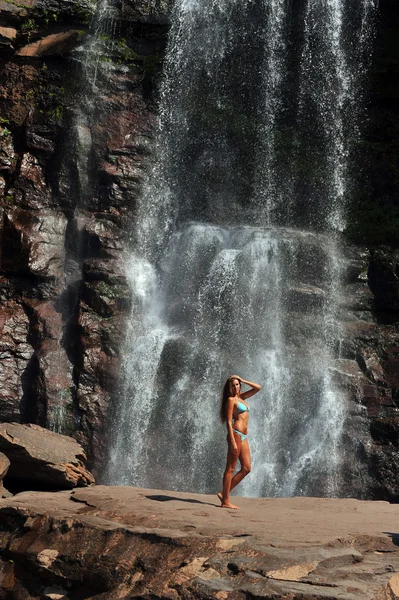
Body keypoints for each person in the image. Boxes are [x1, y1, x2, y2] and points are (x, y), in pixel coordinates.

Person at [218, 374, 262, 509]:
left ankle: (224, 493)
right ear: (229, 387)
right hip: (236, 435)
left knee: (247, 468)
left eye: (237, 384)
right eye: (233, 385)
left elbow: (258, 388)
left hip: (243, 436)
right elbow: (229, 422)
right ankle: (225, 501)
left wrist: (242, 379)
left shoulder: (241, 398)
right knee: (230, 468)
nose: (235, 387)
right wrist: (231, 440)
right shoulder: (231, 400)